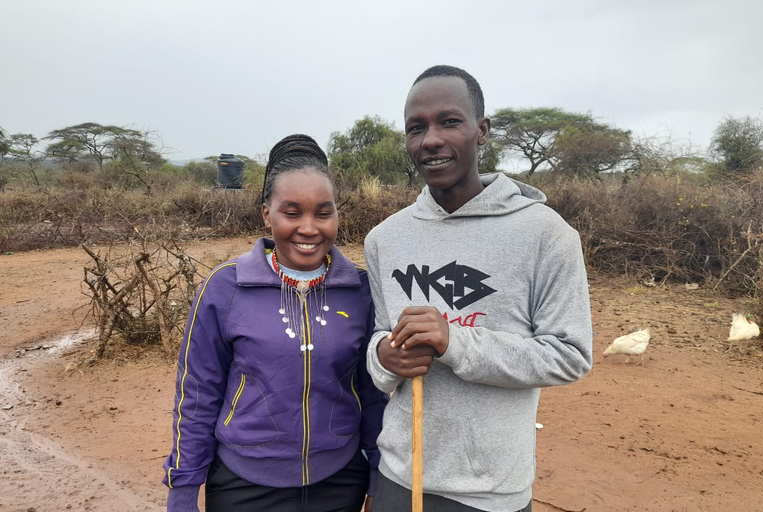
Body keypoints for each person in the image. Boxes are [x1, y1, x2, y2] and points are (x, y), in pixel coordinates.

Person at [364, 65, 593, 512]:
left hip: (491, 492)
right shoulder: (384, 239)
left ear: (482, 131)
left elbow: (570, 354)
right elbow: (378, 339)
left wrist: (456, 342)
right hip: (397, 477)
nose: (430, 139)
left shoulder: (545, 233)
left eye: (449, 121)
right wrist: (384, 358)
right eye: (417, 128)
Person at [163, 134, 388, 512]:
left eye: (323, 212)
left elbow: (372, 392)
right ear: (267, 213)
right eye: (292, 211)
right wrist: (183, 490)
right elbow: (197, 394)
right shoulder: (225, 288)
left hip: (340, 480)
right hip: (244, 487)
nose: (309, 228)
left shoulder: (361, 291)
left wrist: (378, 476)